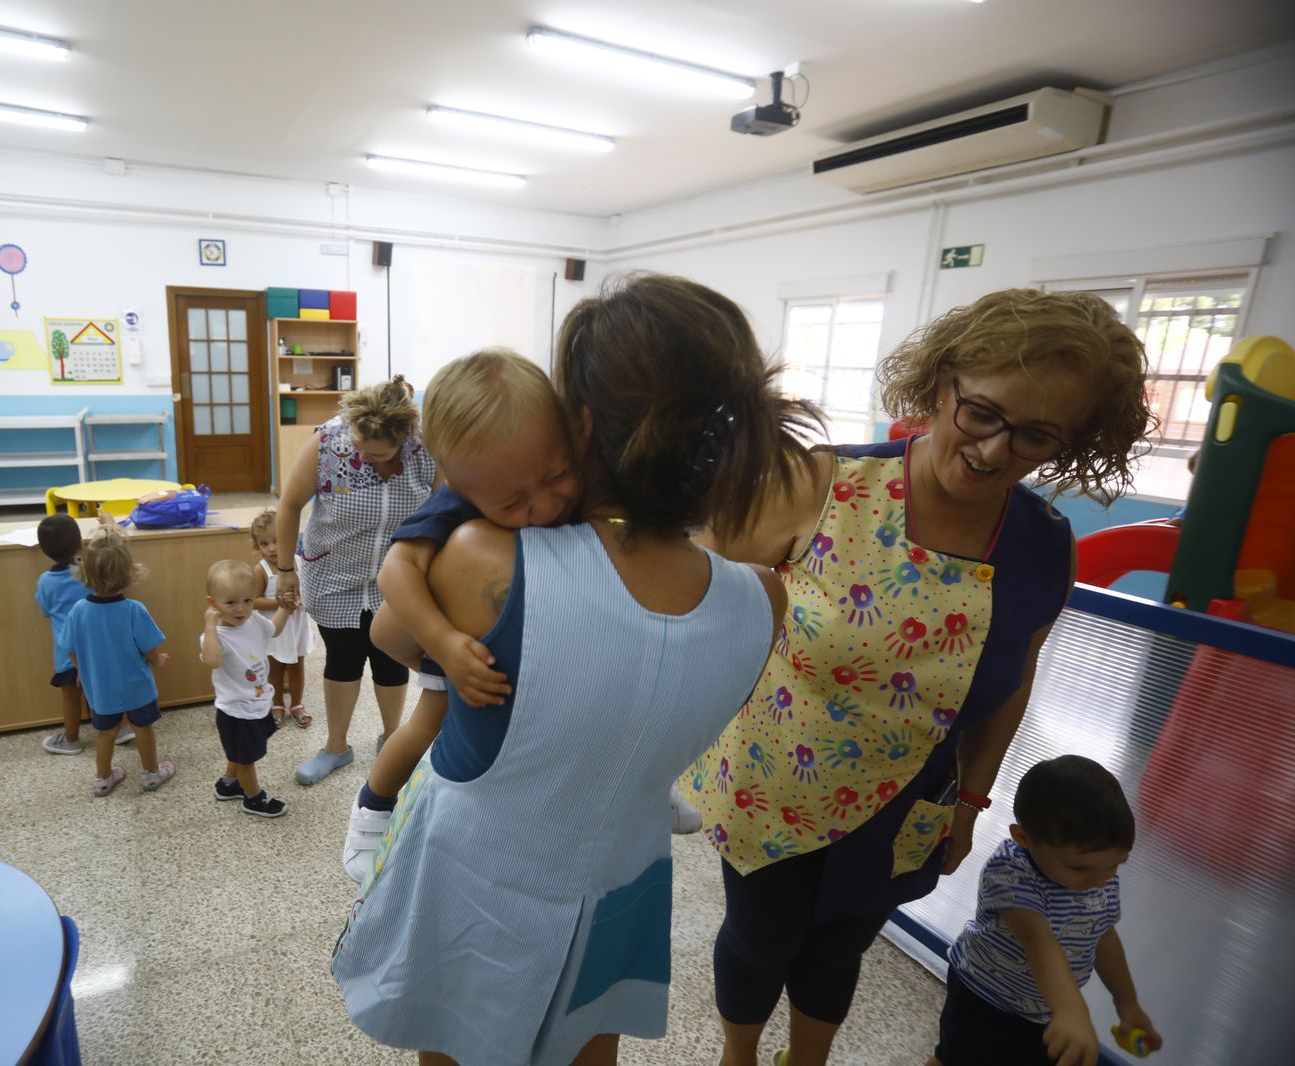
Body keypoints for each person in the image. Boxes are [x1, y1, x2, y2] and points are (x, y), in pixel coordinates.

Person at [330, 273, 815, 1066]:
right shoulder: (762, 598)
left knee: (454, 1044)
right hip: (626, 871)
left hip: (477, 874)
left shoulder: (487, 558)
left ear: (580, 427)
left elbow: (391, 636)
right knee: (590, 1045)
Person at [687, 288, 1154, 1066]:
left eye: (1036, 436)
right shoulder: (822, 485)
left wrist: (972, 802)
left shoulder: (1046, 546)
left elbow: (1013, 681)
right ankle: (738, 1058)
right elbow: (690, 595)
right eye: (982, 413)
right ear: (942, 384)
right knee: (761, 941)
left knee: (841, 947)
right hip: (778, 777)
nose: (995, 450)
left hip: (911, 799)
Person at [340, 348, 582, 882]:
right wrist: (444, 644)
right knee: (427, 722)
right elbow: (395, 572)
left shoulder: (548, 475)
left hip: (534, 640)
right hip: (458, 635)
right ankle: (371, 810)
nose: (544, 506)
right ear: (462, 483)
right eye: (512, 503)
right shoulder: (456, 499)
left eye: (557, 475)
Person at [934, 755, 1161, 1066]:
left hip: (1047, 1008)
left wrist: (1127, 1003)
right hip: (985, 997)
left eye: (1115, 865)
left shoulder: (1099, 875)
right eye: (1079, 868)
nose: (1100, 881)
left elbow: (1104, 938)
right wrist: (1073, 1010)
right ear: (1024, 838)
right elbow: (1038, 942)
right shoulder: (1010, 872)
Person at [273, 375, 438, 786]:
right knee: (343, 656)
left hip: (398, 577)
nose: (361, 456)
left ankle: (393, 739)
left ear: (403, 439)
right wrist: (285, 570)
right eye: (358, 445)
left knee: (391, 656)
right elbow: (290, 504)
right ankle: (336, 746)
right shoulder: (329, 441)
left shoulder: (427, 451)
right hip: (334, 572)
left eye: (375, 452)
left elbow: (446, 510)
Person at [62, 524, 176, 796]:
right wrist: (158, 661)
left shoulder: (78, 611)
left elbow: (70, 649)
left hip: (101, 690)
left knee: (106, 733)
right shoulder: (134, 610)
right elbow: (149, 648)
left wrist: (82, 670)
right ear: (128, 573)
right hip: (137, 688)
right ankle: (151, 774)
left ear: (85, 572)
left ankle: (103, 779)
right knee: (143, 729)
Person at [35, 513, 134, 754]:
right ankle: (120, 728)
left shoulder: (46, 581)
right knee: (105, 688)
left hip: (67, 652)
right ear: (80, 543)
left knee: (71, 696)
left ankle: (71, 740)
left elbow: (45, 610)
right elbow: (116, 554)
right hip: (98, 647)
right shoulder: (89, 571)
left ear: (43, 550)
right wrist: (110, 525)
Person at [202, 559, 293, 818]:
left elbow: (273, 630)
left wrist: (285, 609)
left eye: (248, 600)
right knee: (246, 759)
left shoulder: (252, 621)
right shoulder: (215, 636)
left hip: (258, 702)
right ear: (212, 604)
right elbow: (212, 660)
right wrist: (209, 626)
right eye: (231, 602)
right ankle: (253, 798)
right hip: (236, 711)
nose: (241, 609)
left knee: (241, 751)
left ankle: (229, 784)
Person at [249, 509, 314, 727]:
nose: (271, 548)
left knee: (297, 668)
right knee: (275, 669)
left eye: (277, 541)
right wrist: (279, 603)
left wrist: (301, 600)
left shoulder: (299, 563)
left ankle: (297, 704)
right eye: (264, 544)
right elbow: (253, 601)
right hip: (273, 630)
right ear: (257, 546)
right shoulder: (261, 570)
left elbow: (306, 590)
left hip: (296, 628)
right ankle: (276, 704)